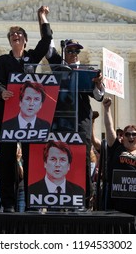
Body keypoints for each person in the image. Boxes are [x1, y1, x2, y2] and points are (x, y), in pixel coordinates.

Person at [0, 5, 53, 213]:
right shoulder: (3, 60)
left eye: (19, 34)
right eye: (12, 35)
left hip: (30, 114)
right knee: (7, 159)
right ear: (10, 41)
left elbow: (45, 42)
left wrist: (41, 17)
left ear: (25, 40)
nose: (15, 36)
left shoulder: (31, 58)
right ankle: (8, 204)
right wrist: (2, 92)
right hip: (7, 113)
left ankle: (31, 203)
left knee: (31, 158)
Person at [46, 37, 105, 208]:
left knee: (82, 160)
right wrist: (43, 19)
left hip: (80, 124)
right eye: (70, 51)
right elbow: (49, 48)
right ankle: (55, 201)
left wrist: (99, 85)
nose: (73, 54)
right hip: (60, 124)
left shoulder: (87, 71)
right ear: (64, 52)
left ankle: (84, 202)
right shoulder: (58, 69)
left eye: (76, 51)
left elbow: (99, 96)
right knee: (58, 158)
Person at [102, 97, 136, 233]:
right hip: (118, 204)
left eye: (134, 134)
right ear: (123, 137)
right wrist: (107, 108)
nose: (131, 136)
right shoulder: (117, 149)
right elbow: (109, 128)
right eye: (127, 134)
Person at [28, 141, 85, 208]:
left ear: (68, 166)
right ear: (45, 163)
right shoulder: (32, 190)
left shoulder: (78, 191)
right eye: (53, 159)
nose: (57, 165)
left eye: (62, 160)